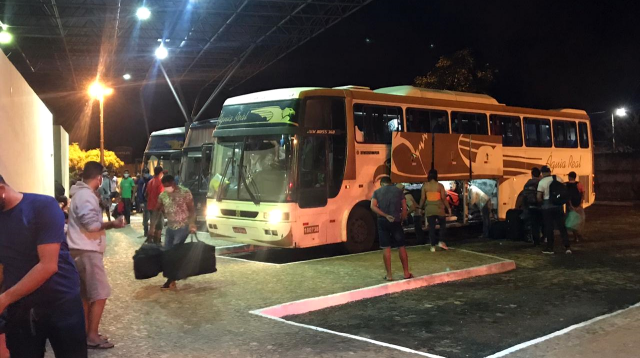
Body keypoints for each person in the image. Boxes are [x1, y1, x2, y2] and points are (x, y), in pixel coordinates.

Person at [0, 174, 88, 357]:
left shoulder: (42, 206)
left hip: (61, 303)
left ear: (1, 191)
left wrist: (4, 299)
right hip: (20, 308)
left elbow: (48, 266)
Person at [67, 161, 125, 349]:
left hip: (79, 250)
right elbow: (91, 225)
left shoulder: (80, 194)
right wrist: (113, 224)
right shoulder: (85, 196)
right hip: (87, 251)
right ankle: (91, 335)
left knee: (85, 296)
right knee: (100, 293)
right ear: (99, 178)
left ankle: (86, 333)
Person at [155, 175, 197, 289]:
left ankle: (171, 279)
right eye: (164, 186)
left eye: (168, 186)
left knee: (175, 252)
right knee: (168, 253)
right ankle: (173, 277)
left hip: (183, 226)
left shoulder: (185, 192)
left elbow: (192, 210)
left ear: (173, 183)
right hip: (170, 228)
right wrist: (153, 226)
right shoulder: (163, 195)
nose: (166, 188)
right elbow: (157, 209)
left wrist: (192, 224)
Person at [371, 176, 412, 281]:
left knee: (386, 247)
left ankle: (389, 275)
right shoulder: (399, 191)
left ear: (381, 184)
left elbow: (373, 206)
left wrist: (385, 215)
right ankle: (406, 273)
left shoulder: (377, 192)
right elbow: (404, 207)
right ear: (390, 183)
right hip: (396, 221)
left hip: (383, 222)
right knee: (401, 246)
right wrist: (402, 218)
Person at [537, 165, 571, 254]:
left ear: (542, 173)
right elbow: (564, 191)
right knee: (561, 227)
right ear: (550, 171)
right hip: (558, 206)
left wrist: (541, 203)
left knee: (549, 227)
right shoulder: (558, 178)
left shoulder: (542, 182)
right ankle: (567, 247)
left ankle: (550, 248)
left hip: (547, 207)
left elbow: (539, 197)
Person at [419, 169, 451, 252]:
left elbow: (422, 199)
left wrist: (419, 208)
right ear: (436, 176)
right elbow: (443, 198)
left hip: (429, 209)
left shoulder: (425, 186)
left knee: (432, 228)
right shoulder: (440, 186)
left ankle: (432, 246)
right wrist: (449, 208)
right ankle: (441, 241)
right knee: (442, 225)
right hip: (439, 208)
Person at [522, 167, 543, 245]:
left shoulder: (527, 184)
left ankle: (535, 240)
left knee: (534, 224)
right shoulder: (541, 183)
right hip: (540, 206)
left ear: (532, 174)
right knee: (541, 223)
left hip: (530, 207)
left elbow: (524, 196)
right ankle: (543, 238)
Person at [145, 166, 165, 244]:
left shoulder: (150, 182)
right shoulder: (160, 182)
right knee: (159, 226)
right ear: (160, 173)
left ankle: (151, 240)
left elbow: (146, 194)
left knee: (153, 224)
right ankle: (157, 241)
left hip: (150, 206)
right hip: (157, 208)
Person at [566, 171, 586, 242]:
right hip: (578, 205)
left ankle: (575, 236)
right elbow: (582, 193)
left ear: (570, 177)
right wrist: (580, 204)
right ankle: (578, 234)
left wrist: (570, 205)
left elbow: (567, 196)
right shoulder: (579, 184)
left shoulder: (566, 185)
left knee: (572, 221)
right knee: (579, 220)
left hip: (570, 205)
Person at [137, 169, 152, 237]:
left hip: (152, 201)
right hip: (145, 201)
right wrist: (141, 202)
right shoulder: (141, 181)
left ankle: (152, 231)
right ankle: (146, 231)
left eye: (147, 173)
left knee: (152, 216)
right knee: (146, 217)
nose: (146, 174)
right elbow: (140, 192)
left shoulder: (151, 179)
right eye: (145, 173)